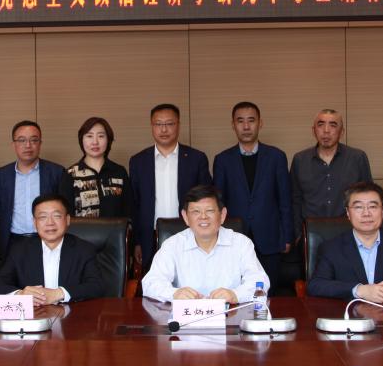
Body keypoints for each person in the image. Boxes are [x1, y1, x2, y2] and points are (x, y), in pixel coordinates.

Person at [212, 102, 293, 293]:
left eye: (251, 120)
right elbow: (218, 202)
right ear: (233, 125)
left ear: (260, 123)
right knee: (236, 292)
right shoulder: (222, 159)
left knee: (268, 292)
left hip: (269, 238)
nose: (246, 126)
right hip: (234, 238)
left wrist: (287, 236)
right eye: (240, 121)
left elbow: (285, 199)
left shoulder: (276, 157)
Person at [141, 185, 268, 303]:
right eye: (196, 211)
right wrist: (174, 294)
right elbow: (150, 283)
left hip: (230, 315)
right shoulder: (172, 245)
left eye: (210, 211)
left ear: (222, 215)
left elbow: (260, 281)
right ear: (185, 217)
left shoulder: (241, 244)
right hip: (186, 317)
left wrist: (235, 295)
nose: (203, 217)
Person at [129, 104, 212, 270]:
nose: (164, 129)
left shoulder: (196, 159)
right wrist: (137, 242)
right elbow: (134, 204)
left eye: (169, 123)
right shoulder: (138, 161)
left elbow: (207, 199)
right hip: (150, 238)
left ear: (178, 125)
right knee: (153, 281)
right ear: (152, 126)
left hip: (188, 234)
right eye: (158, 124)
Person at [0, 194, 104, 304]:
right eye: (43, 217)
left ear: (67, 220)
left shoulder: (84, 249)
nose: (50, 223)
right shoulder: (20, 250)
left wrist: (60, 293)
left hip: (72, 314)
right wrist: (20, 294)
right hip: (35, 316)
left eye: (56, 216)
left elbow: (97, 286)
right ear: (34, 222)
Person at [290, 108, 372, 251]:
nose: (326, 130)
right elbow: (295, 199)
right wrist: (297, 234)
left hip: (350, 233)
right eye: (320, 124)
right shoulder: (300, 159)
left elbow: (369, 198)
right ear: (313, 130)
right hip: (311, 234)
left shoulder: (357, 158)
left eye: (333, 125)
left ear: (342, 132)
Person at [0, 120, 65, 264]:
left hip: (46, 240)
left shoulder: (57, 172)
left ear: (40, 143)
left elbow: (63, 210)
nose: (28, 145)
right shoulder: (0, 175)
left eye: (34, 140)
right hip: (12, 241)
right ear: (13, 144)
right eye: (22, 140)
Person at [59, 117, 131, 218]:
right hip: (80, 229)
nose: (95, 142)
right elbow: (64, 214)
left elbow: (129, 211)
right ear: (81, 140)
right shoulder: (70, 174)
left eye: (101, 136)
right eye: (89, 136)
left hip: (116, 229)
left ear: (108, 140)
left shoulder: (119, 172)